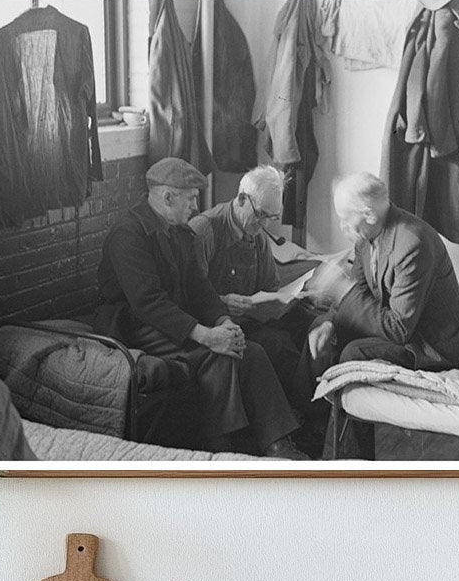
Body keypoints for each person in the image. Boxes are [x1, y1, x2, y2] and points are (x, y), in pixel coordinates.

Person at [95, 157, 308, 459]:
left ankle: (276, 442)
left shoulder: (180, 232)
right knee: (216, 357)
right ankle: (223, 450)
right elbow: (148, 303)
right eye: (191, 199)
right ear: (168, 197)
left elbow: (199, 289)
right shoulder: (129, 235)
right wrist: (207, 336)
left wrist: (223, 322)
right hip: (133, 324)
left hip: (171, 319)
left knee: (249, 349)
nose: (195, 207)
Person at [308, 171, 459, 371]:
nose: (342, 226)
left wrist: (342, 290)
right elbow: (362, 292)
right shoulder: (365, 235)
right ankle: (304, 400)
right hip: (402, 323)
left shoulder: (413, 245)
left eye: (346, 219)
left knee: (353, 352)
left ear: (370, 215)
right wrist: (331, 324)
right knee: (320, 327)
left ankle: (326, 398)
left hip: (436, 343)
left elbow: (398, 329)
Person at [189, 165, 314, 408]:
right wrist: (223, 302)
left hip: (249, 320)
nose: (265, 224)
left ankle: (306, 414)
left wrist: (288, 300)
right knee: (275, 346)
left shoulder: (257, 234)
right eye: (261, 214)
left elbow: (270, 287)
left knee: (307, 326)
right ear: (241, 199)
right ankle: (301, 415)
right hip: (215, 326)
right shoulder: (205, 230)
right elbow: (190, 295)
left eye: (272, 217)